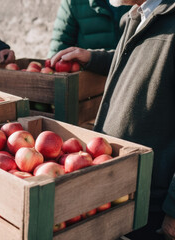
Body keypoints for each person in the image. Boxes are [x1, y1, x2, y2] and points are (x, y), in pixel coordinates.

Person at [51, 0, 175, 239]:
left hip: (152, 206)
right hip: (120, 189)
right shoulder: (137, 15)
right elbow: (142, 61)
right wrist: (92, 57)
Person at [48, 0, 130, 58]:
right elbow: (58, 52)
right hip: (90, 78)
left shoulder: (138, 3)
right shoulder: (74, 2)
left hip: (132, 76)